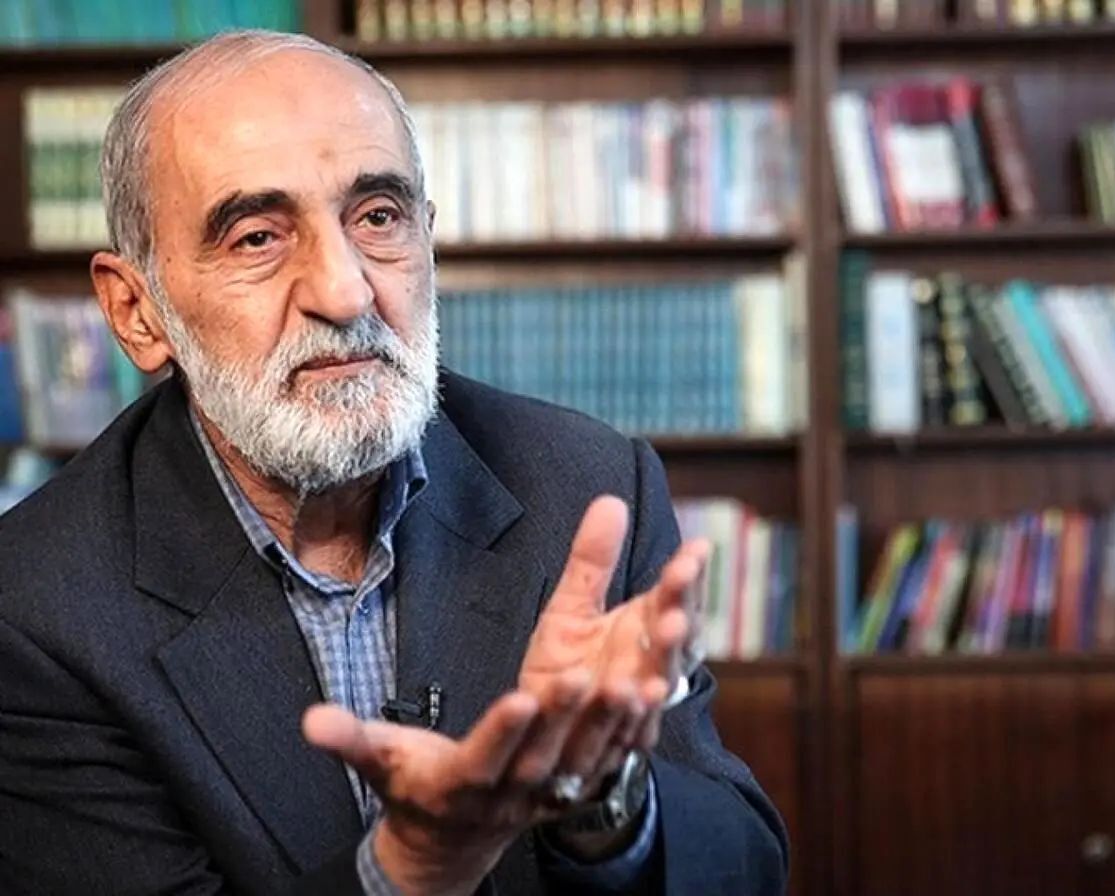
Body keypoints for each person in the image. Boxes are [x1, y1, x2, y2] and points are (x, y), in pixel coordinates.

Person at [0, 29, 787, 896]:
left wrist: (604, 801)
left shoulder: (586, 490)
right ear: (137, 310)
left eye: (378, 218)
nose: (345, 292)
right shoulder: (34, 610)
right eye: (257, 238)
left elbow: (742, 869)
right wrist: (406, 870)